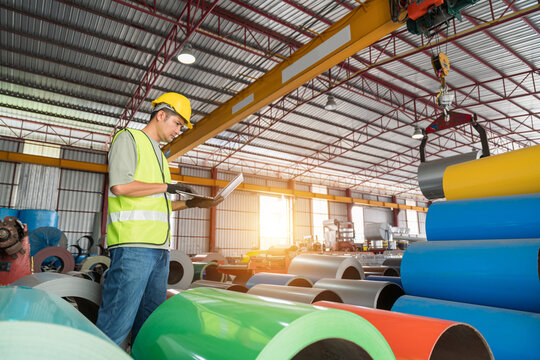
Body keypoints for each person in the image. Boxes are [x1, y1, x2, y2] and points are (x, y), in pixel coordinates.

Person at [96, 92, 222, 347]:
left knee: (150, 323)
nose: (179, 130)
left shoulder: (161, 157)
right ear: (161, 115)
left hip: (159, 251)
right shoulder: (128, 138)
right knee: (116, 323)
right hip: (134, 247)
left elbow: (158, 203)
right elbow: (121, 186)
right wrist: (168, 186)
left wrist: (190, 203)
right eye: (177, 123)